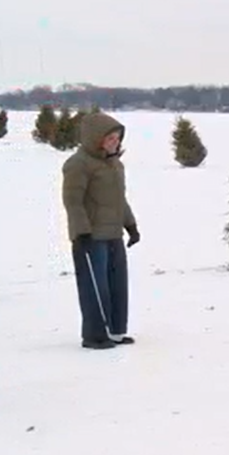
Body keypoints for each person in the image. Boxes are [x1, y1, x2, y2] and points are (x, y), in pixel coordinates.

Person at [62, 111, 140, 350]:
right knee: (96, 287)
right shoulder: (78, 164)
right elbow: (72, 201)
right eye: (109, 138)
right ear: (94, 138)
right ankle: (94, 335)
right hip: (91, 237)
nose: (114, 142)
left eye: (117, 138)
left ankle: (116, 331)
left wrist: (131, 225)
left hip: (113, 234)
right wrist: (81, 231)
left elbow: (119, 200)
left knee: (117, 285)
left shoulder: (115, 165)